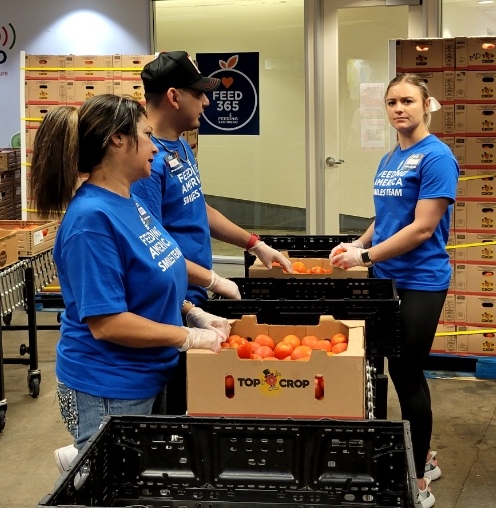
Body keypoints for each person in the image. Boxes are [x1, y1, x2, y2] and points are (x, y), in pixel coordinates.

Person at [29, 94, 231, 474]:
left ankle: (82, 461)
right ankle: (84, 462)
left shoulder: (129, 202)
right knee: (117, 485)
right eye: (146, 135)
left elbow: (154, 271)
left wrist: (192, 313)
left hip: (151, 372)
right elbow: (107, 323)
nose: (155, 146)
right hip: (110, 387)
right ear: (117, 140)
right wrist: (184, 337)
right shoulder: (91, 221)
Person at [133, 51, 292, 415]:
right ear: (174, 97)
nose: (206, 101)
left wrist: (256, 245)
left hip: (194, 295)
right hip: (172, 305)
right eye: (199, 93)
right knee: (178, 408)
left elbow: (198, 209)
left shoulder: (182, 147)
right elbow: (152, 252)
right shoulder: (148, 164)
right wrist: (209, 284)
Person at [329, 73, 458, 508]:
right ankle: (420, 451)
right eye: (391, 102)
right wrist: (359, 243)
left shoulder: (436, 157)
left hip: (421, 279)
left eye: (407, 101)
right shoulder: (390, 159)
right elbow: (386, 218)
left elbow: (422, 228)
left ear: (427, 105)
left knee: (407, 373)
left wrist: (364, 259)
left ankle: (420, 476)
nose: (399, 109)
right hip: (387, 280)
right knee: (384, 369)